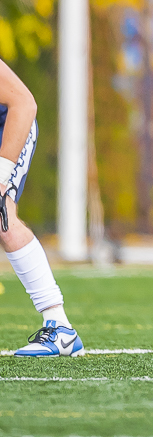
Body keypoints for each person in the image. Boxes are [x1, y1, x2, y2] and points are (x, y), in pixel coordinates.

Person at [0, 59, 84, 357]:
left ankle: (60, 327)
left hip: (10, 123)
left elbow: (23, 104)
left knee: (3, 218)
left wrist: (1, 177)